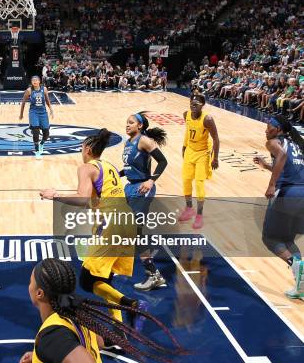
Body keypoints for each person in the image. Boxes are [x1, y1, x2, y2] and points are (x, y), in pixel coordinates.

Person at [39, 130, 149, 336]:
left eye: (82, 148)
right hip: (127, 221)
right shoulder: (109, 167)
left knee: (87, 281)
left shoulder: (86, 168)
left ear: (88, 149)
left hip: (111, 223)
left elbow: (82, 199)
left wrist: (55, 196)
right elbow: (95, 200)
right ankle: (120, 331)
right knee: (104, 280)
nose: (81, 152)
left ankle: (133, 305)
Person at [19, 259, 185, 363]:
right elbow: (97, 342)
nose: (28, 285)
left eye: (30, 282)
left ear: (39, 293)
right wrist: (38, 356)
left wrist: (49, 348)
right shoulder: (74, 315)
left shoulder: (52, 335)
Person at [253, 116, 304, 299]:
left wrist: (271, 184)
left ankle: (295, 264)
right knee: (288, 238)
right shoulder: (296, 144)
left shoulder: (273, 142)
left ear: (279, 129)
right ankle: (301, 285)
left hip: (287, 195)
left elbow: (282, 156)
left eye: (269, 127)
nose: (266, 130)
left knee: (269, 238)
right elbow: (289, 167)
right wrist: (267, 166)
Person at [121, 113, 169, 290]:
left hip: (143, 188)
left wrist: (151, 181)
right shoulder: (128, 143)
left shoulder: (144, 141)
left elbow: (163, 162)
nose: (127, 125)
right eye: (127, 122)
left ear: (140, 126)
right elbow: (128, 168)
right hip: (130, 188)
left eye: (131, 122)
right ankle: (123, 264)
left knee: (136, 231)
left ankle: (154, 275)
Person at [178, 94, 219, 229]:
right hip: (190, 150)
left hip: (203, 153)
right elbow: (188, 131)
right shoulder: (186, 115)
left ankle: (199, 214)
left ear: (202, 105)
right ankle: (189, 208)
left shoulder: (207, 119)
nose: (192, 106)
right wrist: (184, 146)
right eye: (191, 103)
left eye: (196, 104)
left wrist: (215, 158)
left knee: (199, 183)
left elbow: (216, 139)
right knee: (186, 180)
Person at [19, 76, 54, 159]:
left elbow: (47, 101)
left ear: (39, 81)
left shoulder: (44, 89)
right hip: (33, 113)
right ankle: (37, 151)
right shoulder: (29, 90)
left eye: (36, 80)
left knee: (46, 134)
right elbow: (23, 103)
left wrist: (51, 110)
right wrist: (21, 114)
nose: (35, 81)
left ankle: (41, 144)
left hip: (43, 113)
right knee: (36, 131)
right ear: (31, 82)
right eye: (33, 80)